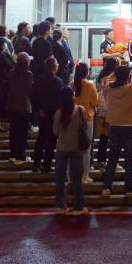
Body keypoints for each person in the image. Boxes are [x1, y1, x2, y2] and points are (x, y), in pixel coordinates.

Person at [100, 58, 132, 198]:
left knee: (112, 159)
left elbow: (106, 81)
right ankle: (129, 189)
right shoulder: (131, 88)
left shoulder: (109, 87)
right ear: (128, 76)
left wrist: (115, 71)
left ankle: (106, 188)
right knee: (129, 160)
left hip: (114, 126)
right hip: (129, 127)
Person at [53, 86, 89, 216]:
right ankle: (78, 207)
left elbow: (55, 131)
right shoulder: (80, 110)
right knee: (76, 179)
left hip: (62, 148)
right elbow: (85, 126)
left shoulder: (58, 113)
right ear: (73, 97)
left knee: (60, 179)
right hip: (76, 148)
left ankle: (61, 206)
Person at [31, 57, 63, 174]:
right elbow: (59, 100)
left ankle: (36, 164)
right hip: (53, 114)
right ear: (54, 67)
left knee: (41, 138)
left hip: (42, 113)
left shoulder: (38, 80)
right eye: (57, 64)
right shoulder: (58, 81)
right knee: (52, 140)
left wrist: (39, 109)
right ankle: (47, 165)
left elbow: (33, 96)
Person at [71, 62, 99, 184]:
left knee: (73, 147)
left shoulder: (72, 84)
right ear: (87, 72)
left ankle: (71, 176)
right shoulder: (90, 85)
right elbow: (96, 102)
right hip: (87, 118)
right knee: (86, 148)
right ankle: (84, 176)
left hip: (74, 118)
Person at [5, 52, 34, 165]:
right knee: (23, 132)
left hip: (12, 106)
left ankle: (12, 154)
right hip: (24, 107)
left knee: (13, 131)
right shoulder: (28, 74)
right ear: (26, 62)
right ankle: (20, 155)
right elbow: (30, 91)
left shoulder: (11, 73)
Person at [94, 57, 118, 171]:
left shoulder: (101, 76)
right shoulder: (114, 77)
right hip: (112, 108)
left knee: (103, 137)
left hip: (101, 109)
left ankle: (101, 160)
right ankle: (112, 162)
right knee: (113, 137)